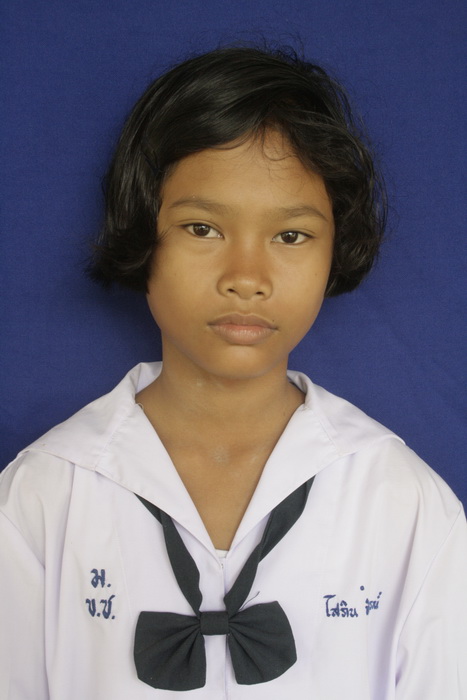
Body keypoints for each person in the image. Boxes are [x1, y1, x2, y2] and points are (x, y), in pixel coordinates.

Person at [0, 46, 466, 699]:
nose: (246, 277)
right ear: (143, 233)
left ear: (335, 250)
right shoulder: (42, 495)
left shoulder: (404, 502)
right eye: (202, 228)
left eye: (290, 236)